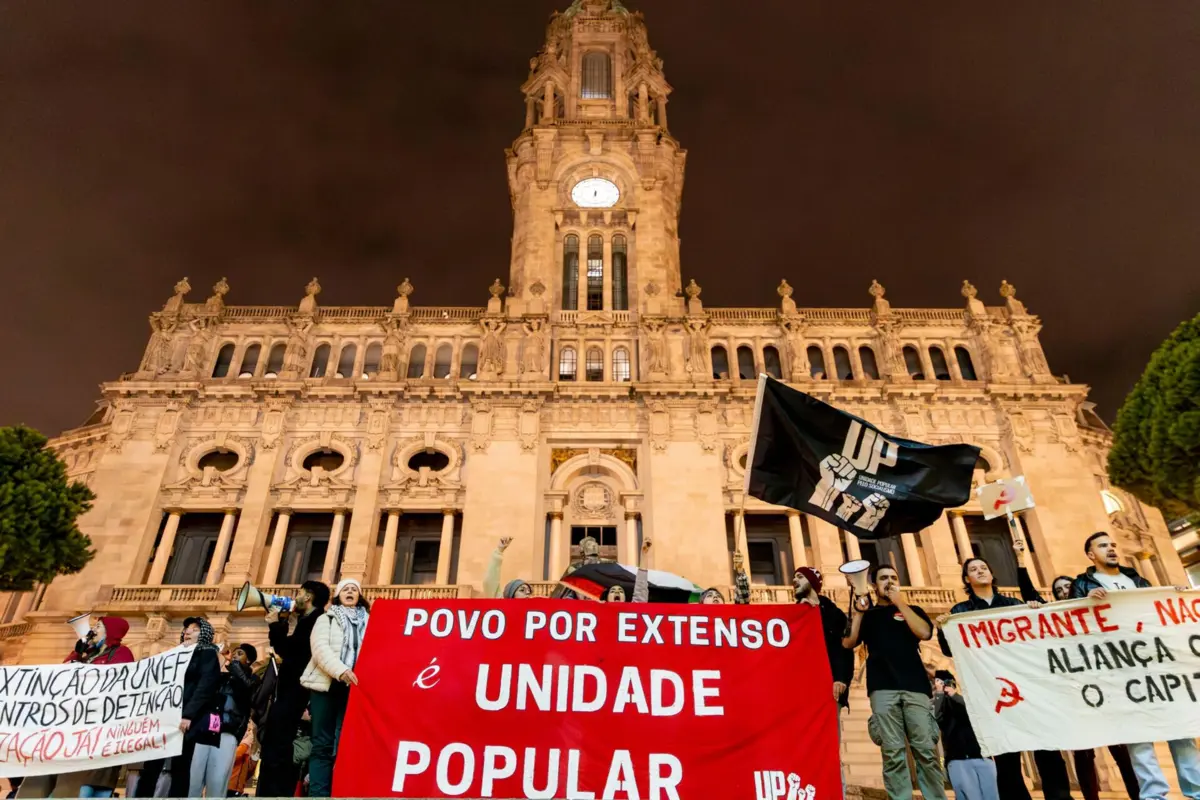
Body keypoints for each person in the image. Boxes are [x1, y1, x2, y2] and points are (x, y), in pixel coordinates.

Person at [1070, 532, 1200, 800]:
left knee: (1180, 729)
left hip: (1156, 661)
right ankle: (1153, 796)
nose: (1112, 549)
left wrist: (1172, 595)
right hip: (1121, 667)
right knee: (1138, 734)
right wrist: (1084, 600)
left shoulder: (1137, 580)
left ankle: (1195, 790)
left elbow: (1158, 610)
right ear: (1091, 554)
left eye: (1113, 545)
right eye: (1103, 546)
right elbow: (1072, 620)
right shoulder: (1083, 584)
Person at [936, 553, 1073, 800]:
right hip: (993, 691)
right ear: (967, 578)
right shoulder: (960, 611)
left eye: (984, 567)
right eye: (974, 569)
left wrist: (1033, 611)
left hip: (1026, 687)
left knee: (1048, 749)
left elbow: (1038, 637)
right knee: (1006, 757)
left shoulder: (1013, 605)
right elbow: (948, 650)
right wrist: (943, 628)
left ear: (991, 573)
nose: (980, 571)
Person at [842, 564, 946, 800]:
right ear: (874, 585)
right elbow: (848, 643)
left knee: (926, 752)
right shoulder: (869, 615)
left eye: (893, 577)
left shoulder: (913, 610)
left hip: (915, 687)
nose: (888, 581)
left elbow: (925, 633)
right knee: (892, 752)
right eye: (883, 578)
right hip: (882, 688)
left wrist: (899, 602)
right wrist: (858, 612)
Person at [255, 580, 329, 798]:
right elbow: (287, 648)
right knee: (275, 745)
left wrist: (275, 624)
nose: (295, 596)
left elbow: (290, 651)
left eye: (300, 592)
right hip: (291, 692)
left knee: (278, 747)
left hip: (295, 693)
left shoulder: (315, 621)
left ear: (308, 597)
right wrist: (282, 623)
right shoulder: (307, 620)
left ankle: (272, 792)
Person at [138, 618, 222, 798]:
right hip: (164, 717)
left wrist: (188, 715)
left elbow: (205, 686)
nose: (187, 631)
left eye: (194, 629)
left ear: (204, 634)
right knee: (151, 765)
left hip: (185, 719)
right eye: (186, 628)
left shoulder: (207, 654)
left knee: (180, 766)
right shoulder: (173, 655)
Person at [303, 578, 371, 798]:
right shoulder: (326, 619)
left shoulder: (372, 622)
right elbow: (320, 649)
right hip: (327, 685)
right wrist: (341, 670)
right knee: (322, 744)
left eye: (354, 590)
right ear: (338, 595)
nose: (350, 592)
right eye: (345, 589)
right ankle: (319, 794)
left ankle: (342, 792)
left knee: (347, 744)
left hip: (356, 689)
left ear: (359, 596)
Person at [59, 617, 135, 798]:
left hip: (103, 727)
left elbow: (118, 682)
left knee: (97, 778)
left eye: (98, 626)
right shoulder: (87, 654)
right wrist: (77, 654)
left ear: (111, 632)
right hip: (78, 724)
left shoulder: (122, 653)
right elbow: (60, 676)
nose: (93, 629)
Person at [190, 644, 260, 797]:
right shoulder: (224, 677)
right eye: (234, 653)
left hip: (228, 731)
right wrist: (217, 660)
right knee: (194, 779)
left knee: (217, 781)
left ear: (248, 660)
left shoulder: (253, 679)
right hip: (207, 730)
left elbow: (246, 688)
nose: (234, 655)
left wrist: (232, 664)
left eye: (239, 653)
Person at [932, 671, 999, 800]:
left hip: (982, 756)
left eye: (947, 683)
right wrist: (939, 694)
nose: (944, 686)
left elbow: (973, 713)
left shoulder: (965, 701)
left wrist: (954, 694)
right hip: (957, 759)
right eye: (940, 683)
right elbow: (935, 717)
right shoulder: (937, 703)